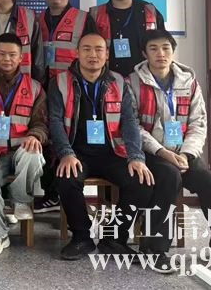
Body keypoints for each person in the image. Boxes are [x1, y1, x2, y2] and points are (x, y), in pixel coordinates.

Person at [131, 29, 211, 273]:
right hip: (153, 153)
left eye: (166, 48)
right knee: (169, 178)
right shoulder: (133, 83)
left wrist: (187, 154)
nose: (161, 54)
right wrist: (162, 152)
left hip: (184, 153)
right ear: (144, 53)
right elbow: (134, 126)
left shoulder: (188, 81)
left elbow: (198, 123)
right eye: (153, 49)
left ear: (173, 51)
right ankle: (154, 250)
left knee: (210, 182)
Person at [48, 32, 154, 260]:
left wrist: (136, 157)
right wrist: (65, 153)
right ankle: (81, 237)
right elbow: (54, 121)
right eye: (86, 49)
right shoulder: (60, 82)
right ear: (77, 53)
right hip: (77, 152)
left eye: (98, 49)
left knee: (141, 181)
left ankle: (114, 238)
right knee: (66, 178)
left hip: (112, 152)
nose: (93, 55)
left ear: (107, 55)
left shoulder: (119, 82)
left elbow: (129, 121)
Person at [0, 34, 48, 255]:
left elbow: (42, 123)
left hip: (20, 152)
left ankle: (19, 200)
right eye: (2, 54)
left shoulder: (35, 87)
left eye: (12, 55)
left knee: (34, 153)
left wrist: (35, 135)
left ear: (21, 58)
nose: (7, 59)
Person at [34, 0, 95, 214]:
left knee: (68, 134)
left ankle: (68, 193)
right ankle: (50, 194)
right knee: (44, 136)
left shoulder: (83, 19)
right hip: (41, 87)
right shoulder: (36, 19)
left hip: (72, 88)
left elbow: (93, 52)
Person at [89, 0, 166, 77]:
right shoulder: (96, 14)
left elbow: (163, 43)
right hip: (107, 77)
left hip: (144, 76)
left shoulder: (149, 11)